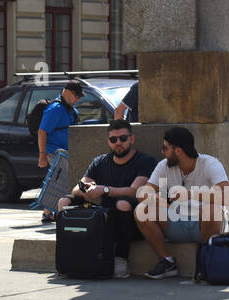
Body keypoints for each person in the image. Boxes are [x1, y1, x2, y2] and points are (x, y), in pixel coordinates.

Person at [55, 119, 157, 278]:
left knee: (123, 203)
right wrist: (87, 190)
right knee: (64, 202)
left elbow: (135, 191)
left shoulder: (145, 161)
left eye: (123, 138)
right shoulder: (100, 161)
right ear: (108, 141)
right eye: (113, 139)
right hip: (101, 219)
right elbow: (77, 189)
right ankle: (67, 253)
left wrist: (105, 190)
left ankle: (121, 258)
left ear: (132, 139)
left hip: (130, 223)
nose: (118, 143)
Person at [134, 126, 229, 279]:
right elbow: (142, 192)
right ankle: (166, 261)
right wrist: (157, 200)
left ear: (178, 150)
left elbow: (226, 196)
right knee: (142, 209)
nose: (162, 152)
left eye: (165, 148)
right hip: (176, 222)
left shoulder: (209, 163)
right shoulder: (164, 165)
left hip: (205, 224)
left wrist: (189, 195)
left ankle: (206, 260)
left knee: (213, 210)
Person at [36, 80, 83, 222]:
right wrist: (42, 156)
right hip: (54, 153)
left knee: (59, 181)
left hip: (65, 153)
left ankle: (49, 212)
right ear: (67, 93)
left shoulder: (71, 109)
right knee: (62, 180)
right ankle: (52, 212)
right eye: (77, 96)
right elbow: (42, 132)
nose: (78, 99)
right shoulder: (55, 109)